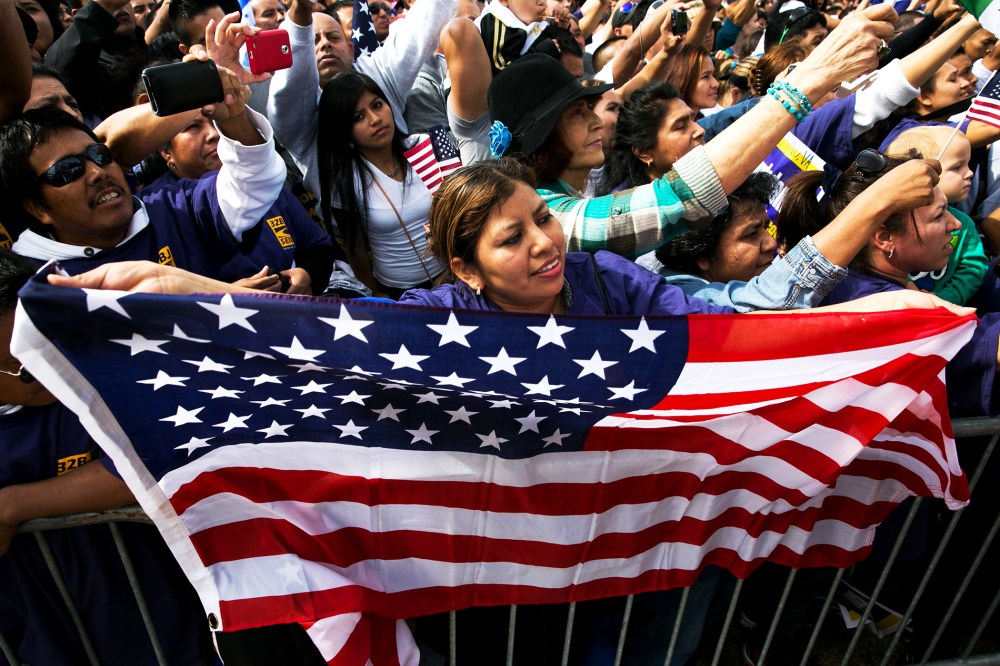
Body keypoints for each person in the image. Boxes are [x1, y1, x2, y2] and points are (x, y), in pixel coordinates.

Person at [485, 5, 898, 261]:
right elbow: (679, 199)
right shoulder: (543, 215)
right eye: (577, 114)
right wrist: (810, 76)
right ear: (542, 138)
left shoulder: (576, 190)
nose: (597, 121)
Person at [0, 248, 217, 666]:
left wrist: (13, 505)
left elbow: (146, 462)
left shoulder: (98, 384)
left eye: (49, 345)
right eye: (23, 366)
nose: (47, 369)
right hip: (41, 633)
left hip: (158, 622)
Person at [779, 149, 1000, 417]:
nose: (955, 224)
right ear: (884, 239)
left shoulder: (845, 281)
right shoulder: (896, 311)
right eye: (939, 215)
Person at [643, 159, 942, 310]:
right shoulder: (679, 297)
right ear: (701, 255)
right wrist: (879, 200)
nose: (770, 243)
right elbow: (767, 302)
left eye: (764, 227)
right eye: (750, 234)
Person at [317, 72, 444, 298]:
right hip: (397, 294)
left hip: (454, 275)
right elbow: (355, 250)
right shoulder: (346, 181)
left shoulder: (425, 147)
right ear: (343, 131)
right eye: (358, 117)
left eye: (377, 105)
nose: (375, 119)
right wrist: (374, 292)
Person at [885, 126, 988, 305]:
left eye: (968, 164)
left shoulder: (963, 224)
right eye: (957, 167)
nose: (970, 173)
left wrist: (945, 299)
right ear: (924, 171)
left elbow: (972, 268)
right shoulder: (889, 219)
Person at [663, 44, 720, 117]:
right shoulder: (663, 126)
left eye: (713, 75)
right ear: (683, 80)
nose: (716, 84)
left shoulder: (701, 120)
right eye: (705, 76)